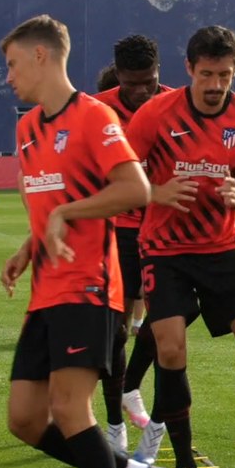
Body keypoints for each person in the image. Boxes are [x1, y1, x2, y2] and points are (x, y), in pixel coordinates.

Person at [0, 15, 168, 468]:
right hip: (46, 289)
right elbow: (50, 203)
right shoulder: (26, 130)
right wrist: (28, 246)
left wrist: (69, 212)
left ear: (43, 57)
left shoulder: (94, 117)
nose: (9, 77)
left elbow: (135, 189)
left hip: (90, 285)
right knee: (25, 419)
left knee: (71, 409)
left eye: (13, 64)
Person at [124, 25, 235, 468]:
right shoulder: (154, 116)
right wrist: (158, 192)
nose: (216, 84)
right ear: (189, 69)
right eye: (207, 74)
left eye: (226, 75)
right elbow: (122, 179)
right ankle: (186, 463)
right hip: (165, 250)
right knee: (170, 350)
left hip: (222, 248)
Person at [94, 34, 170, 446]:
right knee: (115, 332)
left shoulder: (177, 104)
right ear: (118, 74)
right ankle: (114, 427)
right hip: (118, 232)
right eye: (131, 83)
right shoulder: (99, 108)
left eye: (150, 82)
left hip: (165, 233)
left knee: (165, 325)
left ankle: (131, 388)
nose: (141, 91)